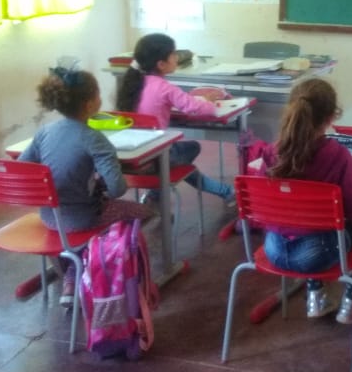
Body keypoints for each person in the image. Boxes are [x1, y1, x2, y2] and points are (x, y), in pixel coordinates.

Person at [19, 62, 154, 307]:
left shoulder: (45, 132)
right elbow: (117, 189)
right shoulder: (94, 138)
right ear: (90, 104)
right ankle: (92, 266)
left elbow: (23, 167)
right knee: (143, 213)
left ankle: (71, 270)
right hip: (84, 219)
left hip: (50, 217)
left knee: (78, 231)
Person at [254, 77, 352, 325]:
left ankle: (315, 298)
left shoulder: (274, 151)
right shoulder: (338, 155)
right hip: (316, 254)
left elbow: (262, 199)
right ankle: (350, 305)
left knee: (303, 225)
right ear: (331, 117)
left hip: (273, 249)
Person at [115, 33, 235, 211]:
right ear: (161, 64)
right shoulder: (164, 87)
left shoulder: (131, 84)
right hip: (156, 159)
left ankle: (156, 193)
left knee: (174, 159)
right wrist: (214, 106)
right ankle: (226, 191)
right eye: (173, 54)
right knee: (193, 148)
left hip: (135, 160)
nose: (177, 57)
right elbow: (193, 107)